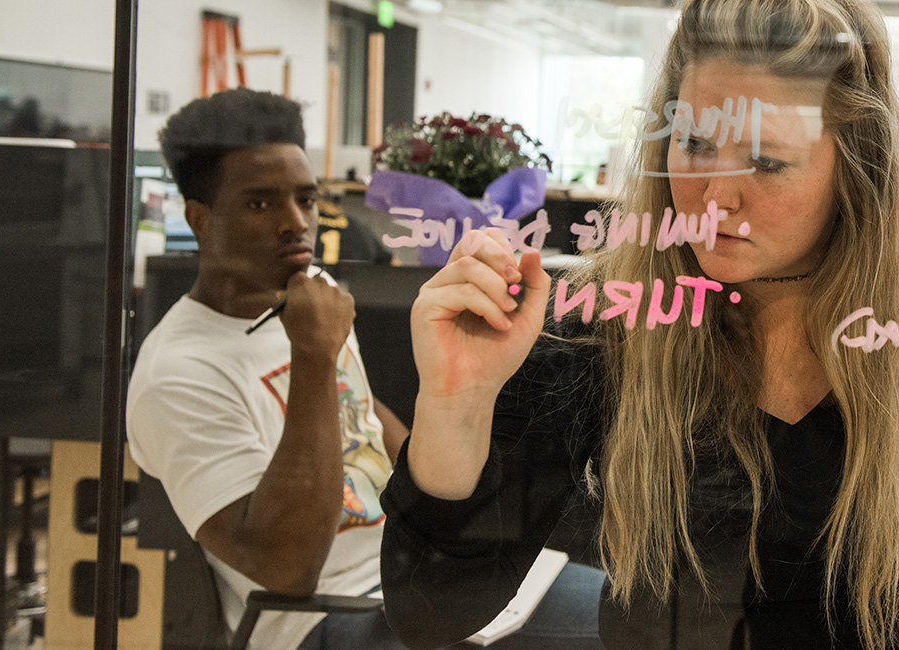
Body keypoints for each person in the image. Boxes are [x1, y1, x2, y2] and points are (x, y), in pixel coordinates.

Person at [378, 0, 899, 649]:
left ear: (854, 162)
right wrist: (456, 404)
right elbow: (433, 613)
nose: (716, 195)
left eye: (766, 161)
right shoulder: (606, 317)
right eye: (696, 143)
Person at [127, 88, 604, 650]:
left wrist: (459, 521)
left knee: (618, 612)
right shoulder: (178, 372)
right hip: (319, 620)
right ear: (200, 218)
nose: (294, 223)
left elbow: (365, 422)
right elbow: (287, 571)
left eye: (306, 199)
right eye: (261, 203)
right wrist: (313, 357)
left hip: (403, 577)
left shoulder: (314, 298)